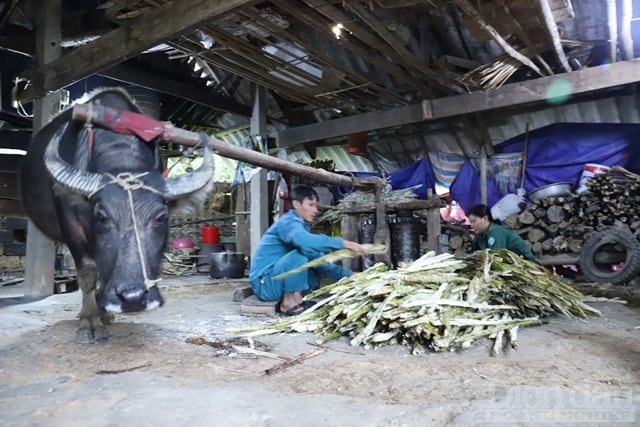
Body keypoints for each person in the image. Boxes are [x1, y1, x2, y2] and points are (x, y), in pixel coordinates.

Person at [249, 185, 364, 316]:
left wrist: (349, 275)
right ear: (297, 204)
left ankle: (297, 299)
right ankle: (288, 304)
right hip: (265, 285)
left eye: (316, 206)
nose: (315, 210)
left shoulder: (300, 226)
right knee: (301, 254)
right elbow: (306, 243)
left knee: (309, 255)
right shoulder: (288, 223)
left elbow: (319, 260)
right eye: (311, 205)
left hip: (275, 281)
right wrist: (343, 243)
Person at [468, 204, 537, 263]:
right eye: (470, 222)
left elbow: (496, 258)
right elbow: (473, 254)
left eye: (474, 221)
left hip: (526, 263)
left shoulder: (496, 232)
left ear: (485, 219)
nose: (471, 225)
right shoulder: (480, 235)